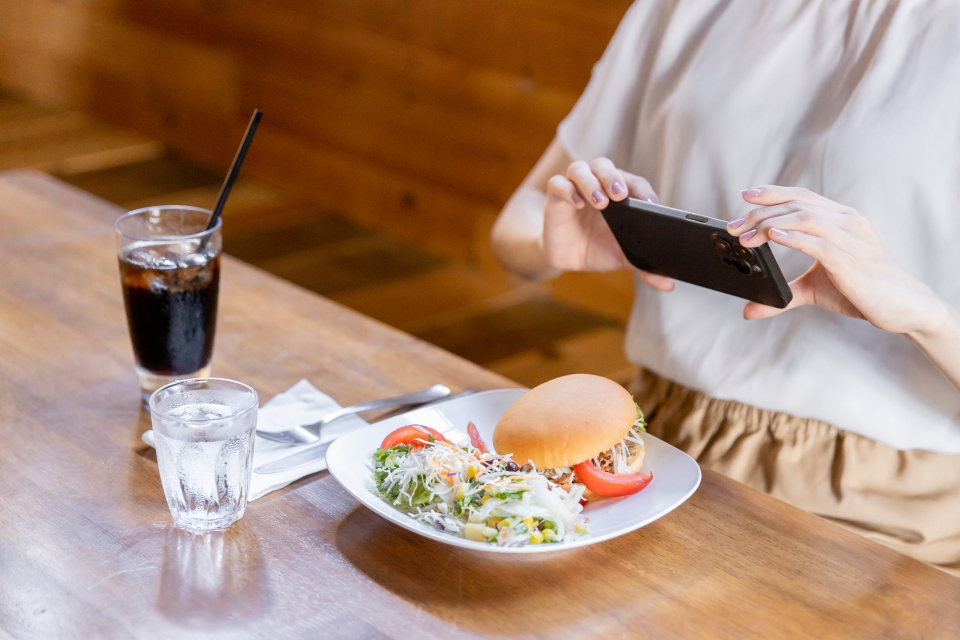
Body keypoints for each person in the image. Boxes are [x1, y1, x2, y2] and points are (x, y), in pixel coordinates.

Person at [491, 0, 960, 575]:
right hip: (654, 444)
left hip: (880, 511)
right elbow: (517, 223)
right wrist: (556, 242)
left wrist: (930, 318)